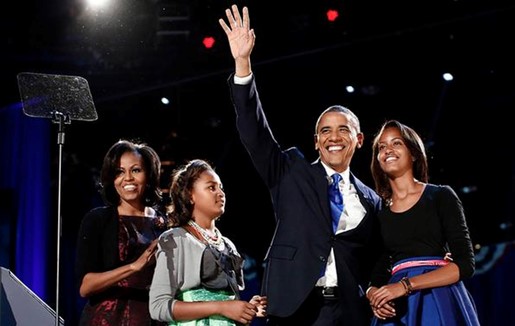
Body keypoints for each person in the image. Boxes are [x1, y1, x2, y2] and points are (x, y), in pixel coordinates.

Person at [219, 5, 383, 325]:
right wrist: (242, 64)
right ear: (316, 141)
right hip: (293, 307)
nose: (333, 137)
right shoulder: (291, 171)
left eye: (343, 130)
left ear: (359, 139)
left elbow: (379, 256)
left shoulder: (371, 199)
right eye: (325, 131)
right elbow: (254, 132)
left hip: (349, 312)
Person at [366, 120, 480, 325]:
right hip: (397, 307)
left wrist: (406, 285)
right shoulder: (378, 212)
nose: (388, 150)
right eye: (382, 147)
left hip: (439, 297)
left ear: (414, 153)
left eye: (396, 143)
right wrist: (373, 294)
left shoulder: (441, 195)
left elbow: (465, 264)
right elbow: (377, 270)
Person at [149, 158, 267, 325]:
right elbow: (158, 307)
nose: (220, 193)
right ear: (190, 195)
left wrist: (246, 309)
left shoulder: (227, 245)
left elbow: (228, 308)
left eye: (221, 188)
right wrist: (221, 307)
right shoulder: (175, 239)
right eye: (212, 187)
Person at [75, 139, 169, 326]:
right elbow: (85, 287)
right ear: (111, 179)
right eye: (119, 172)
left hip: (151, 319)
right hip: (106, 320)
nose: (128, 178)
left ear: (148, 175)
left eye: (135, 170)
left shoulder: (164, 224)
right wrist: (134, 267)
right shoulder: (98, 220)